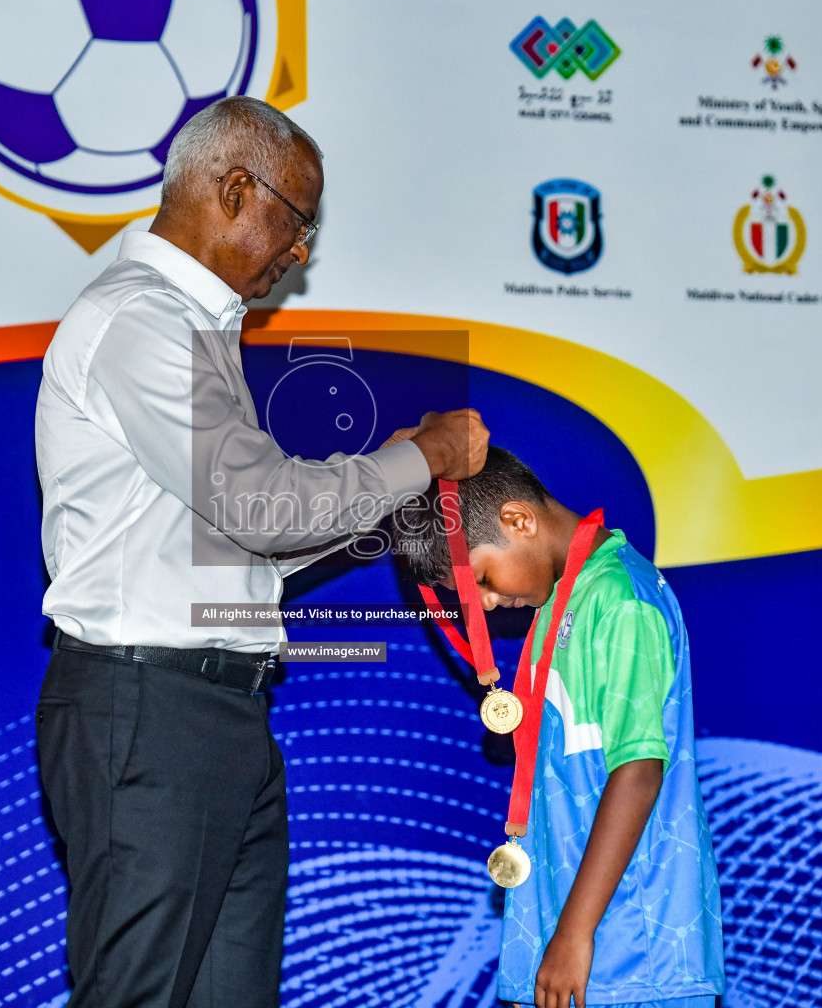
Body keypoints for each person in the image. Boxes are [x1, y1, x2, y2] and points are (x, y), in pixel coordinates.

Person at [35, 94, 488, 1008]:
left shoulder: (193, 326)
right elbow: (260, 507)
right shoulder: (143, 321)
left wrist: (391, 488)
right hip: (151, 707)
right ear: (235, 188)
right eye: (299, 218)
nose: (302, 252)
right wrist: (424, 454)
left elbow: (239, 549)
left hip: (217, 713)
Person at [393, 448, 724, 1008]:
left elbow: (638, 772)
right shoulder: (558, 602)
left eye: (483, 583)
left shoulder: (620, 599)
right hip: (574, 938)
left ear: (518, 520)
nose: (491, 606)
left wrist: (573, 934)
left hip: (632, 951)